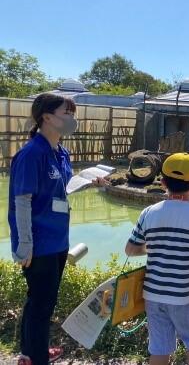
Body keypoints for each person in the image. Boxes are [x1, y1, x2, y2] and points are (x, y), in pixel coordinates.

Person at [125, 153, 189, 365]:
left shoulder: (148, 213)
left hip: (154, 294)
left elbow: (130, 250)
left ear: (163, 182)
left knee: (159, 347)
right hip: (186, 295)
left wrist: (153, 247)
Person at [7, 93, 80, 365]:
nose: (72, 119)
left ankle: (29, 352)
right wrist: (25, 243)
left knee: (42, 300)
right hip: (39, 242)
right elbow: (22, 202)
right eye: (66, 113)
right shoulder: (31, 154)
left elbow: (62, 189)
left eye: (72, 114)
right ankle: (36, 358)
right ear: (47, 117)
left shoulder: (61, 152)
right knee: (41, 302)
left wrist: (90, 182)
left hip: (58, 238)